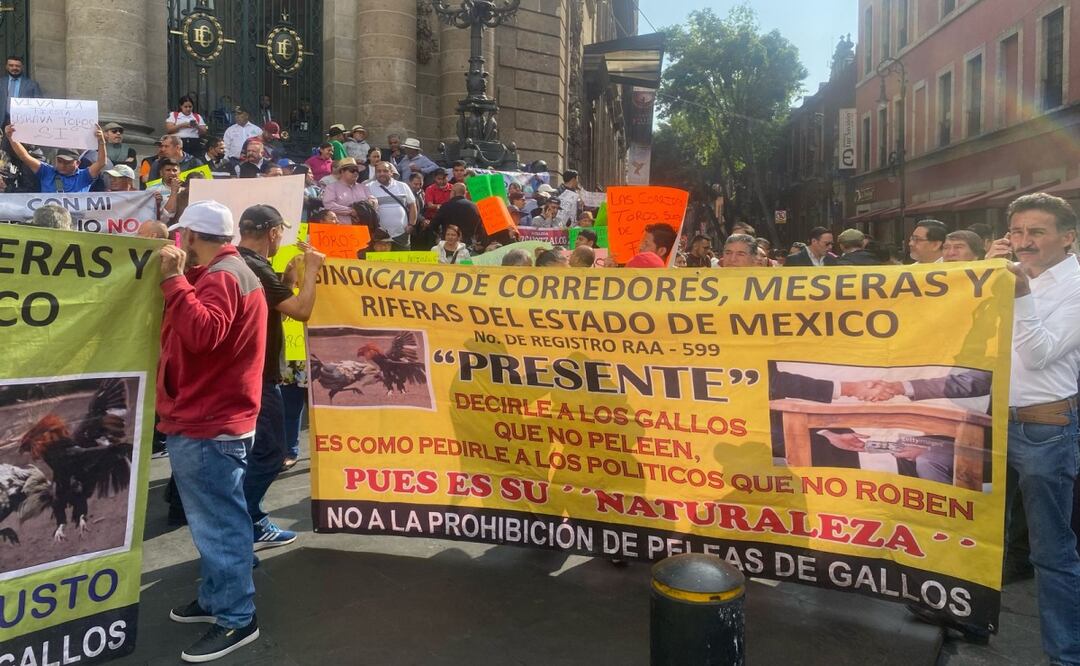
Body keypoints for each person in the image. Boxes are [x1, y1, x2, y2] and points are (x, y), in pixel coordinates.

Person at [156, 201, 265, 661]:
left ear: (195, 237)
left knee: (219, 524)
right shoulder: (229, 271)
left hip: (210, 420)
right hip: (212, 415)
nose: (182, 246)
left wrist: (173, 281)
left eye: (185, 238)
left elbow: (203, 334)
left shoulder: (223, 275)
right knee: (215, 520)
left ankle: (237, 618)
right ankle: (218, 599)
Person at [979, 193, 1080, 663]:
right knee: (976, 537)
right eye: (1017, 232)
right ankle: (968, 619)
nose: (1024, 242)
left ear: (1068, 237)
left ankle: (1064, 655)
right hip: (995, 419)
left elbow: (1039, 355)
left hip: (1046, 427)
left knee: (1052, 553)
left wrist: (1016, 293)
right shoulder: (1012, 275)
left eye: (1036, 232)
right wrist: (978, 280)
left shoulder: (1076, 285)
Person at [236, 205, 325, 550]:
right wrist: (313, 270)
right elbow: (301, 312)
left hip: (245, 371)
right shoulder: (257, 267)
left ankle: (247, 517)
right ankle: (245, 519)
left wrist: (286, 281)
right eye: (280, 233)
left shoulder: (238, 261)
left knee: (250, 450)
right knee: (271, 452)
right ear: (273, 233)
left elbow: (273, 309)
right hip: (258, 374)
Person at [5, 123, 106, 193]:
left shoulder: (84, 176)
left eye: (67, 162)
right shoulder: (47, 171)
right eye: (60, 161)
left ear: (77, 163)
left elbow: (101, 163)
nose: (62, 165)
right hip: (48, 218)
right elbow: (25, 156)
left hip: (74, 222)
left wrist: (101, 141)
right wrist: (11, 137)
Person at [367, 161, 416, 250]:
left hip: (401, 234)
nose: (382, 173)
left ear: (391, 172)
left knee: (403, 262)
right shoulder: (368, 187)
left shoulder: (402, 186)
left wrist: (411, 224)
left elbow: (412, 205)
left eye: (385, 171)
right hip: (379, 236)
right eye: (379, 171)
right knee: (381, 263)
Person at [322, 158, 375, 223]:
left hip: (362, 228)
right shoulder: (331, 187)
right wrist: (351, 211)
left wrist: (372, 202)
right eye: (352, 170)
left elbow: (372, 200)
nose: (355, 173)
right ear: (342, 172)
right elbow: (329, 205)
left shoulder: (363, 187)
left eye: (357, 170)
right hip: (342, 228)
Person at [431, 182, 483, 247]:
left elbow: (434, 224)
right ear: (465, 193)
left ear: (453, 192)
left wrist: (438, 235)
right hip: (469, 243)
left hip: (448, 243)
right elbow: (480, 226)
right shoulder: (475, 206)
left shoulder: (445, 206)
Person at [1, 55, 43, 119]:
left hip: (24, 120)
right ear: (6, 67)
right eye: (11, 65)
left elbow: (39, 105)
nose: (14, 68)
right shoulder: (1, 82)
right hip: (2, 120)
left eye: (17, 66)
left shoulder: (32, 85)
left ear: (22, 67)